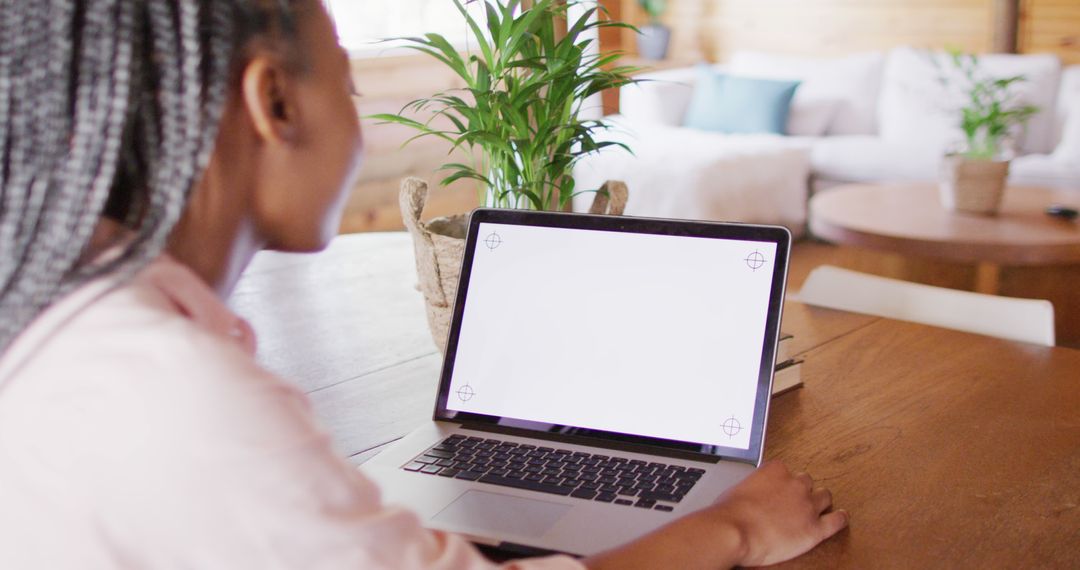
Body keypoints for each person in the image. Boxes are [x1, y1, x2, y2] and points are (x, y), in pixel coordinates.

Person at [0, 1, 847, 568]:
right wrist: (732, 525)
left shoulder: (64, 319)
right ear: (276, 105)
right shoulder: (176, 390)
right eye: (351, 81)